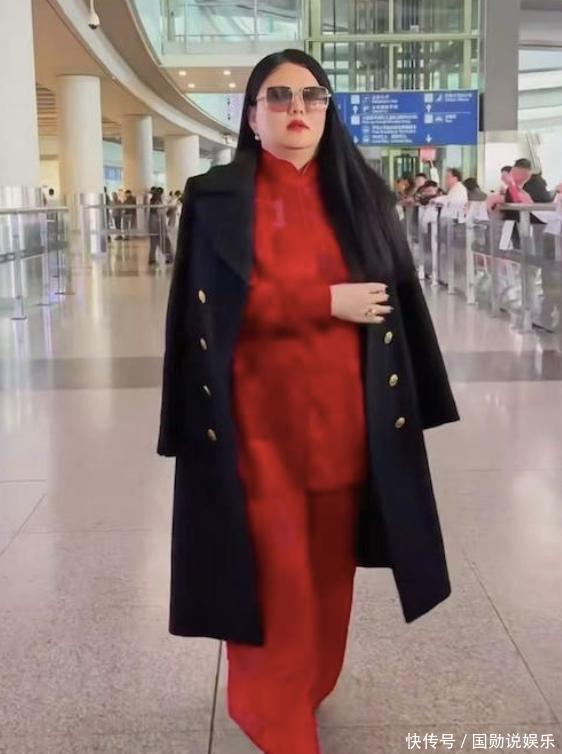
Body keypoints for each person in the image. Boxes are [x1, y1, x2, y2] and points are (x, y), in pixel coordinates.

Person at [157, 48, 459, 754]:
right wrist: (323, 301)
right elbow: (212, 308)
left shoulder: (363, 195)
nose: (297, 109)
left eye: (312, 96)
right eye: (278, 96)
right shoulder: (215, 197)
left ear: (328, 111)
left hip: (348, 425)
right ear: (252, 115)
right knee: (274, 577)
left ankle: (310, 685)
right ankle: (275, 718)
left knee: (328, 574)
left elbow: (396, 304)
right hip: (255, 428)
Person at [148, 187, 173, 266]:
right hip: (158, 226)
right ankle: (169, 258)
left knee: (154, 243)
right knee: (165, 242)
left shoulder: (153, 202)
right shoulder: (157, 203)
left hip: (155, 226)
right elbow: (161, 214)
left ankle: (152, 259)